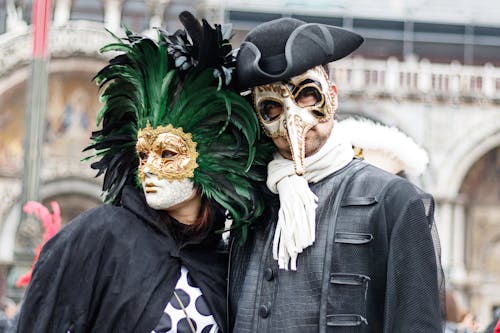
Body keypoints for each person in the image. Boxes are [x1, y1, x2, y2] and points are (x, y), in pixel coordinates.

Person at [16, 11, 272, 332]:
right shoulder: (100, 235)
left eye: (167, 152)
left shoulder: (225, 265)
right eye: (142, 154)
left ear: (211, 158)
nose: (147, 168)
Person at [229, 17, 444, 332]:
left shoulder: (395, 201)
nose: (294, 118)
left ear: (332, 94)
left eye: (306, 94)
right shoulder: (249, 204)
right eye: (272, 107)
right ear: (259, 117)